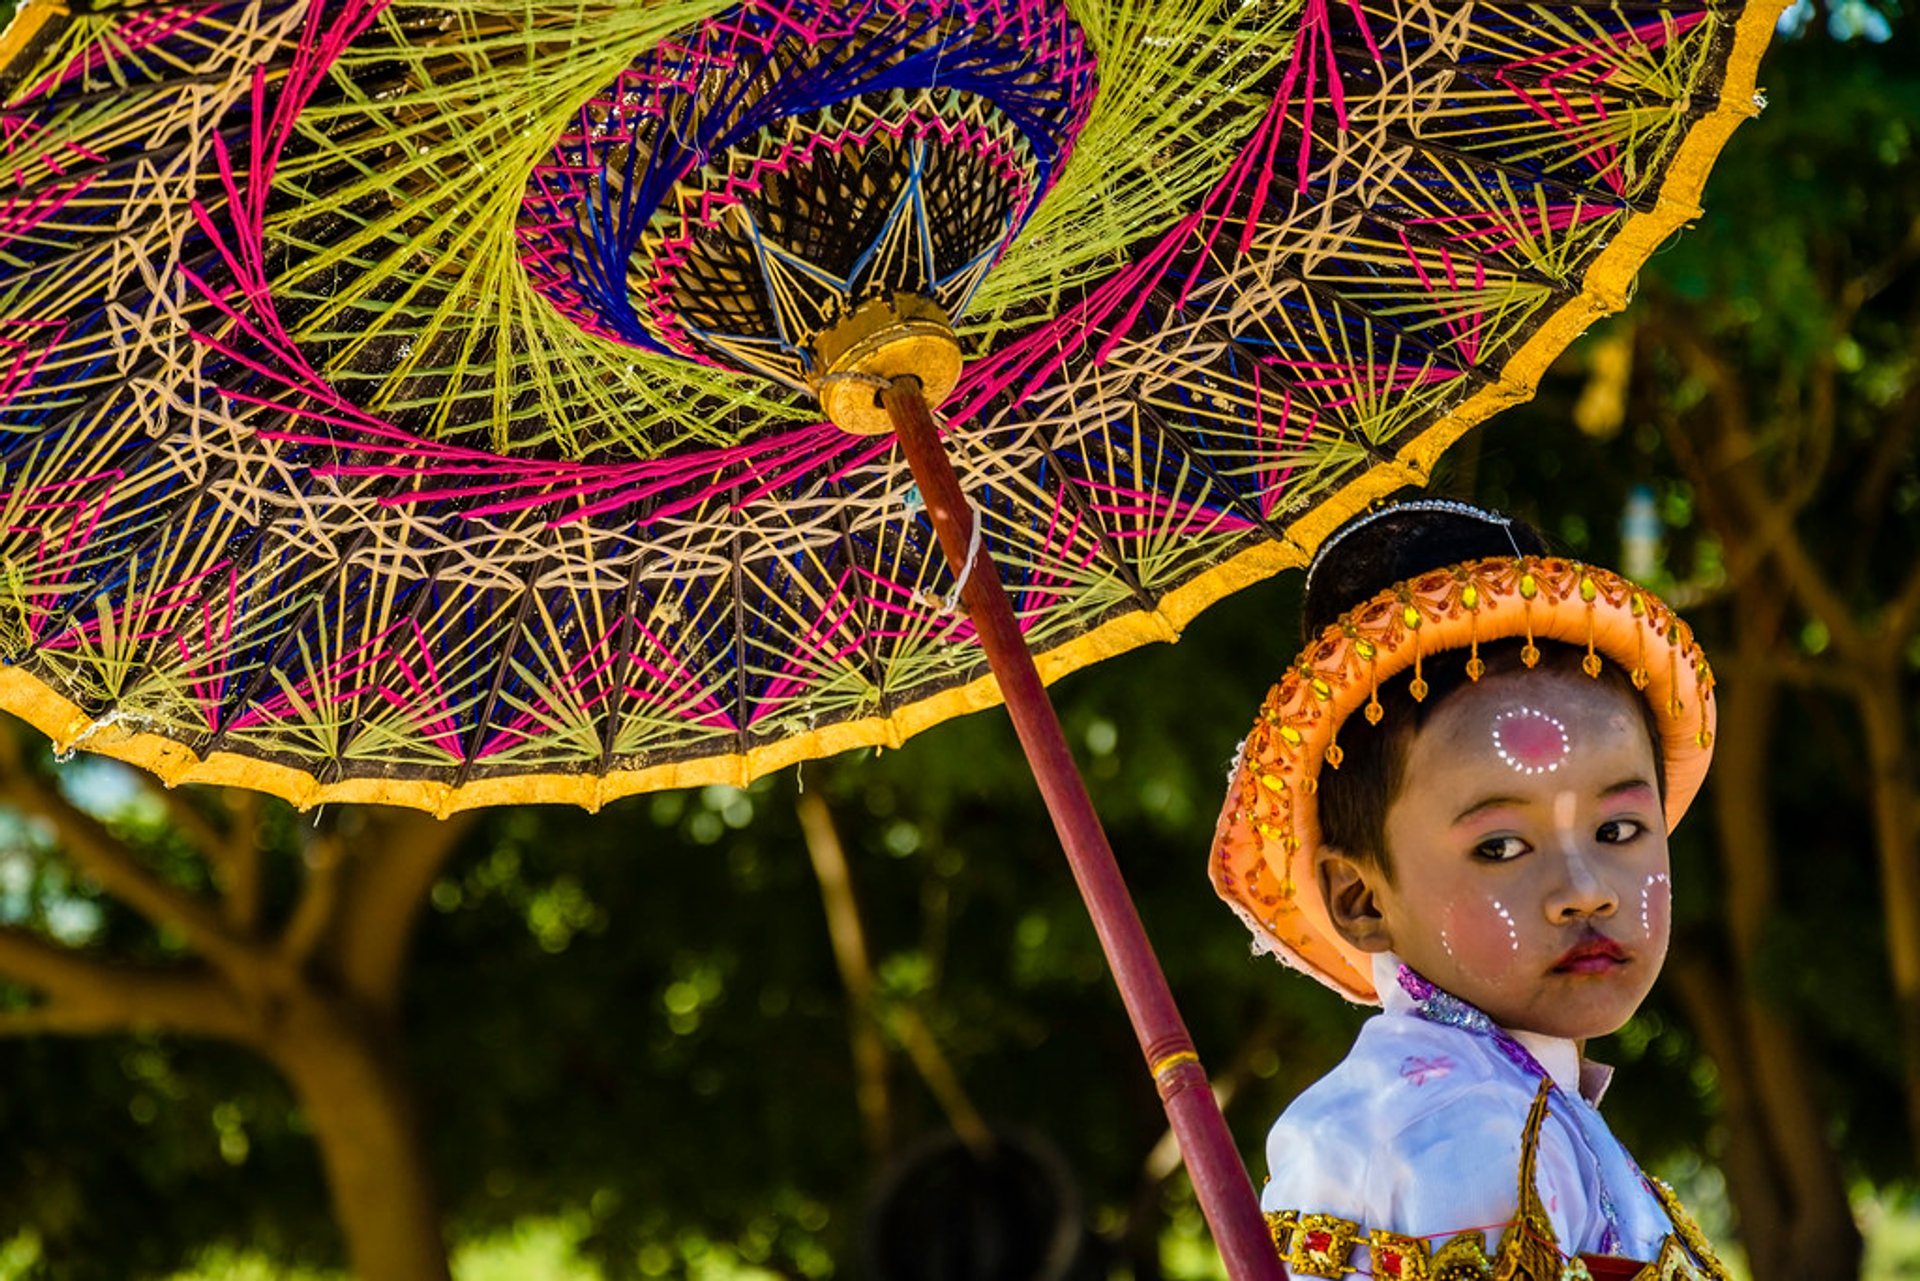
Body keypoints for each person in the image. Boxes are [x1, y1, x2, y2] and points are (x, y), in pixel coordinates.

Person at [1209, 500, 1729, 1280]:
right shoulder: (1461, 1138)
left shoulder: (1521, 1110)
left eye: (1618, 831)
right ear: (1361, 897)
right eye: (1501, 846)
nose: (1584, 891)